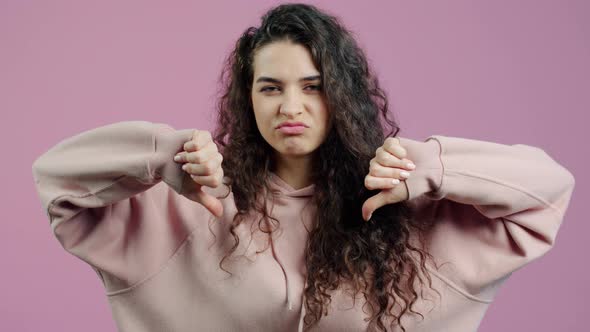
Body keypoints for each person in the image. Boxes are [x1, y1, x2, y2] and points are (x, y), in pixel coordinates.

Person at [31, 3, 575, 332]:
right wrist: (161, 155)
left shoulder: (411, 215)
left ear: (342, 96)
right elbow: (57, 180)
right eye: (270, 87)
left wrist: (430, 164)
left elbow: (549, 190)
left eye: (313, 87)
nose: (290, 106)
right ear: (248, 100)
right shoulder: (186, 209)